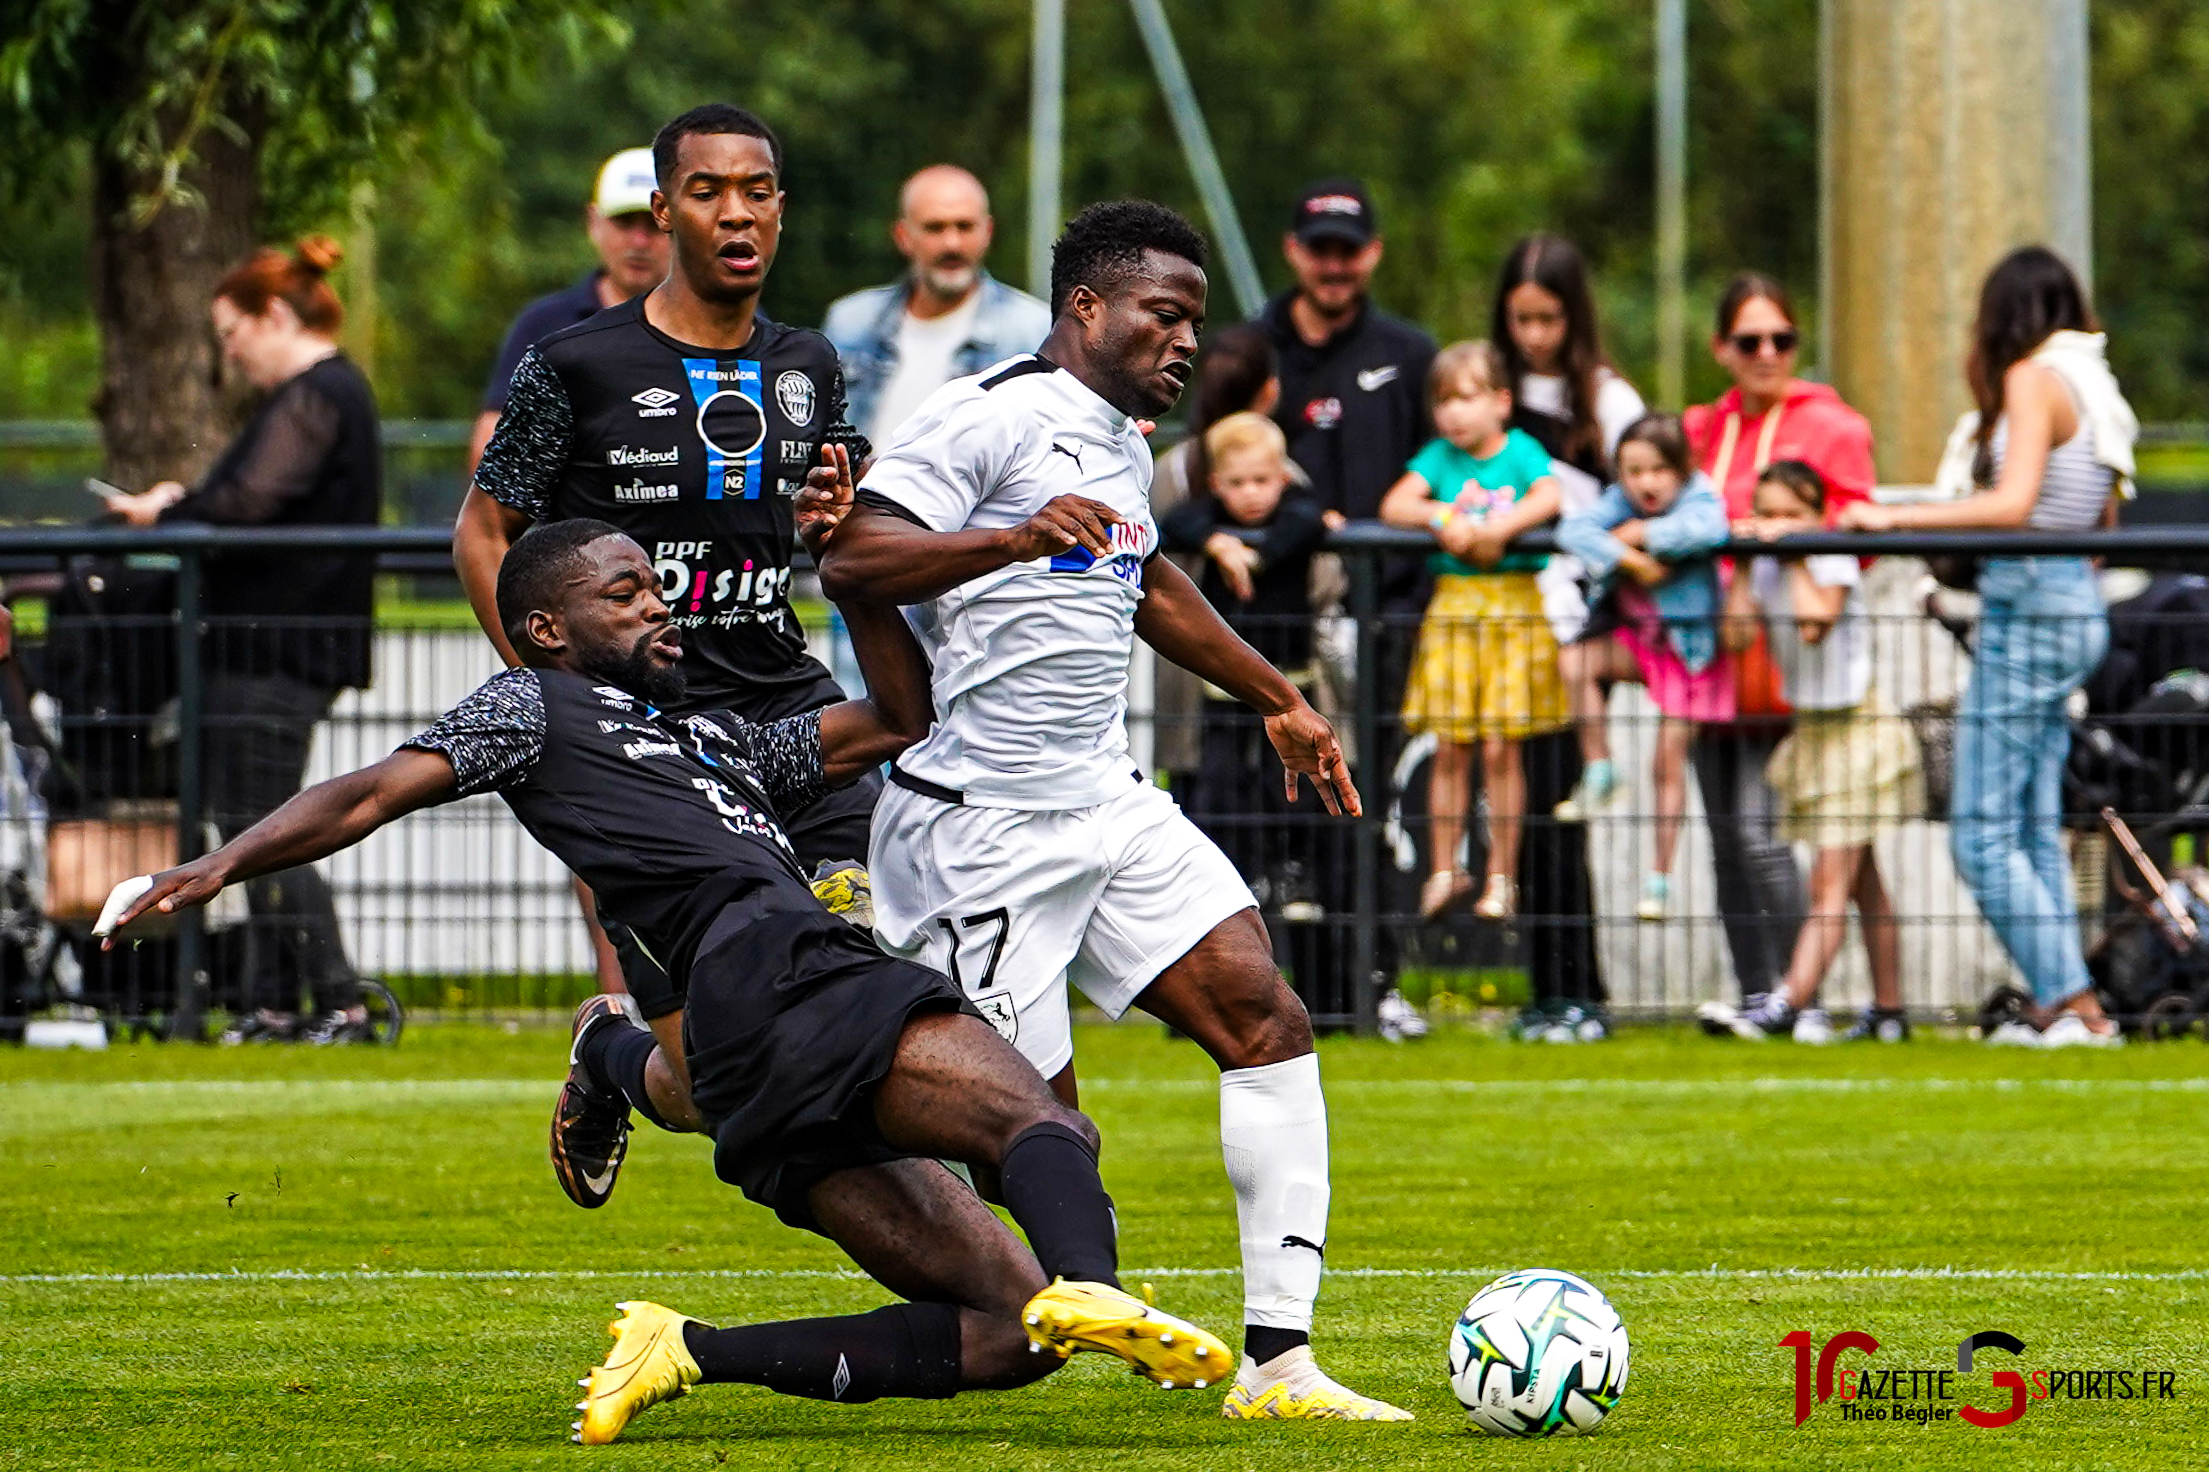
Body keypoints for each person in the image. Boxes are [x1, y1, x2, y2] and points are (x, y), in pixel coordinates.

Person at [96, 517, 1232, 1443]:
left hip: (739, 1046)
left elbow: (897, 718)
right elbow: (372, 789)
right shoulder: (533, 704)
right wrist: (218, 861)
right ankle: (1095, 1276)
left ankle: (681, 1344)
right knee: (1036, 1118)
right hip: (778, 967)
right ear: (544, 625)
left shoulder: (721, 737)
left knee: (1012, 1332)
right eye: (626, 590)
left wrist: (852, 568)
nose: (658, 603)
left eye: (657, 586)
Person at [818, 201, 1409, 1422]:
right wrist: (1010, 536)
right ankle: (675, 1072)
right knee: (1043, 1142)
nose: (1186, 341)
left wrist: (1277, 697)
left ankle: (1281, 1364)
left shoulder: (1121, 438)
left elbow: (1145, 580)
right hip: (973, 828)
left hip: (1103, 796)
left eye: (1193, 319)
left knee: (1266, 1011)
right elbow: (852, 558)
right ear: (1086, 307)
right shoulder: (988, 415)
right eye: (1165, 315)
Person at [452, 104, 877, 1125]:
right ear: (664, 210)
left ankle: (939, 1193)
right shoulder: (576, 362)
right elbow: (482, 529)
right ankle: (611, 1052)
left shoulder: (808, 363)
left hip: (785, 700)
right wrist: (555, 697)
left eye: (758, 192)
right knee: (705, 1087)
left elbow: (836, 519)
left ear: (781, 212)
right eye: (708, 192)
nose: (737, 215)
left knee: (855, 948)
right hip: (644, 729)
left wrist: (836, 523)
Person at [1841, 245, 2137, 1048]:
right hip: (2073, 605)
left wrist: (1891, 517)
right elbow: (2098, 526)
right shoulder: (2089, 382)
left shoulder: (2032, 379)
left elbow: (2009, 504)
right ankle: (2061, 1002)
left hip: (2028, 610)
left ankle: (2076, 1005)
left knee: (1977, 831)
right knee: (2032, 825)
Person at [100, 236, 378, 1044]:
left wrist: (169, 513)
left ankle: (336, 1000)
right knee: (252, 824)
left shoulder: (317, 395)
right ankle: (273, 1002)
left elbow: (248, 504)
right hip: (272, 645)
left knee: (264, 822)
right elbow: (244, 497)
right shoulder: (321, 397)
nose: (230, 354)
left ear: (276, 315)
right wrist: (187, 500)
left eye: (232, 333)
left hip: (276, 649)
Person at [1258, 177, 1436, 1004]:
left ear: (1371, 253)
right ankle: (1275, 982)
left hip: (1383, 616)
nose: (1333, 266)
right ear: (1295, 251)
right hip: (1270, 620)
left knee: (1367, 802)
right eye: (1318, 249)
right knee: (1268, 808)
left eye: (1348, 249)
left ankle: (1372, 979)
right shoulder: (1252, 347)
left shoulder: (1409, 355)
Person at [1678, 275, 1875, 1011]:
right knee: (1725, 839)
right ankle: (1754, 991)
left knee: (1762, 834)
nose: (1765, 353)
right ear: (1721, 348)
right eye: (1748, 340)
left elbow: (1856, 538)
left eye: (1780, 339)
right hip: (1711, 650)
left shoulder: (1834, 427)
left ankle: (1801, 995)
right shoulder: (1701, 427)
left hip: (1788, 657)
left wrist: (1788, 551)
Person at [1703, 461, 1919, 1042]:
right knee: (1864, 879)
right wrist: (1745, 569)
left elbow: (1815, 623)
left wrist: (1795, 551)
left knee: (1831, 882)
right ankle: (1891, 1013)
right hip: (1813, 729)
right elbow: (1738, 637)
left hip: (1855, 727)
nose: (1778, 527)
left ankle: (1787, 1004)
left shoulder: (1830, 556)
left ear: (1816, 516)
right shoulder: (1769, 566)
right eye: (1767, 515)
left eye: (1791, 516)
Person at [1490, 234, 1636, 1040]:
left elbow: (1645, 487)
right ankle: (1544, 988)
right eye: (1520, 319)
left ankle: (1581, 989)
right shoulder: (1494, 391)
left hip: (1570, 621)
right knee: (1519, 816)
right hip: (1503, 623)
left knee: (1558, 812)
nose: (1534, 335)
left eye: (1548, 319)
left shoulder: (1604, 400)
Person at [1378, 342, 1565, 923]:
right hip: (1455, 609)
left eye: (1466, 398)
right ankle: (1443, 869)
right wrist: (1445, 517)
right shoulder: (1437, 458)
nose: (1453, 413)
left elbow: (1550, 494)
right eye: (1442, 401)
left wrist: (1503, 527)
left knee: (1502, 749)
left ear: (1501, 402)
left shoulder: (1521, 451)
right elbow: (1396, 505)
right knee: (1451, 747)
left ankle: (1502, 876)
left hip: (1512, 608)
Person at [1556, 413, 1731, 923]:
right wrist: (1627, 557)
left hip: (1688, 652)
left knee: (1667, 761)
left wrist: (1643, 534)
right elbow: (1573, 528)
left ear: (1682, 469)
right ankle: (1600, 767)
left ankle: (1659, 878)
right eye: (1633, 471)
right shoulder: (1619, 502)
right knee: (1577, 659)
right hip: (1640, 640)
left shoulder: (1698, 497)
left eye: (1658, 470)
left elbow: (1707, 528)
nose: (1645, 482)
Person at [1159, 412, 1328, 909]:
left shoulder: (1296, 508)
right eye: (1236, 483)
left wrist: (1254, 556)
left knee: (1293, 782)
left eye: (1261, 481)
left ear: (1282, 477)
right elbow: (1174, 521)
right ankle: (1234, 873)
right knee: (1224, 783)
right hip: (1225, 685)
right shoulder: (1207, 514)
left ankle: (1294, 870)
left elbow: (1308, 521)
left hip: (1289, 680)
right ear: (1216, 483)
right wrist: (1217, 541)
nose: (1250, 493)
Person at [464, 148, 670, 485]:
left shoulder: (718, 324)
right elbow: (492, 443)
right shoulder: (544, 325)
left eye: (653, 224)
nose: (639, 241)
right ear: (594, 223)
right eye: (624, 222)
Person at [822, 165, 1052, 448]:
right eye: (935, 228)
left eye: (964, 227)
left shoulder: (1032, 329)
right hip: (860, 491)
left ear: (987, 232)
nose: (952, 243)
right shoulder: (851, 321)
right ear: (903, 236)